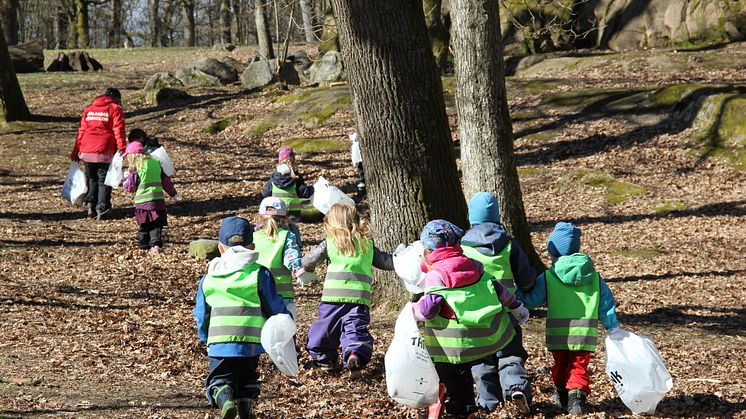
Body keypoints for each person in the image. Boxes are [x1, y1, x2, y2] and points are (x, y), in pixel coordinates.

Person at [412, 220, 529, 419]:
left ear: (428, 251)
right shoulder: (475, 266)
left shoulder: (436, 275)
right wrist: (518, 309)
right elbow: (499, 290)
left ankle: (462, 406)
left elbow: (428, 310)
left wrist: (413, 311)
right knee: (482, 366)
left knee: (452, 374)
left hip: (451, 345)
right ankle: (486, 403)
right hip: (484, 340)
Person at [516, 222, 620, 414]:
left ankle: (564, 396)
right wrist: (612, 325)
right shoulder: (594, 277)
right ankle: (576, 400)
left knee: (561, 365)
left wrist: (513, 294)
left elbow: (532, 300)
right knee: (578, 366)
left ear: (553, 248)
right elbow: (606, 303)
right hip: (584, 334)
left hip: (558, 334)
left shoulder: (548, 277)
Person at [193, 216, 291, 419]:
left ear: (220, 248)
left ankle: (225, 400)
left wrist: (204, 337)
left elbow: (202, 313)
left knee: (219, 379)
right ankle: (245, 410)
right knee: (247, 378)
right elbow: (274, 304)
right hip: (251, 342)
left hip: (220, 342)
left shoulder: (209, 278)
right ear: (253, 246)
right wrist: (286, 320)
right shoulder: (259, 274)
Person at [459, 192, 536, 413]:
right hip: (508, 310)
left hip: (477, 312)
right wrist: (529, 290)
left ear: (471, 216)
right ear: (496, 215)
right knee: (510, 353)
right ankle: (515, 388)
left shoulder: (464, 247)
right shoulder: (509, 244)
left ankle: (488, 404)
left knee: (481, 357)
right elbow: (526, 278)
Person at [302, 203, 393, 373]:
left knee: (326, 328)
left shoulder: (330, 243)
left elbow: (308, 260)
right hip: (359, 297)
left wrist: (305, 267)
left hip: (332, 298)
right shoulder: (366, 243)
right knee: (355, 327)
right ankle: (354, 353)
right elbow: (384, 261)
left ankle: (325, 359)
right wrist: (402, 262)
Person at [253, 197, 315, 317]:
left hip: (257, 292)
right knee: (285, 332)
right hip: (282, 294)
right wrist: (300, 270)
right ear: (285, 218)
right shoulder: (286, 235)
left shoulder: (252, 237)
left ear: (259, 216)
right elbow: (291, 258)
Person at [70, 88, 126, 220]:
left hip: (86, 150)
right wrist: (122, 146)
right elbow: (118, 128)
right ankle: (102, 208)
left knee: (91, 178)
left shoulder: (89, 109)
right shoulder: (115, 108)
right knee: (103, 179)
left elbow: (82, 131)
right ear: (117, 98)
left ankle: (90, 206)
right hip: (104, 149)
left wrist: (75, 152)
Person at [122, 141, 176, 253]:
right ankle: (155, 244)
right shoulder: (156, 163)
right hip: (157, 200)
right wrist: (173, 193)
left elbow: (130, 187)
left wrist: (125, 180)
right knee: (156, 223)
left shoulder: (137, 168)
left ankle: (143, 243)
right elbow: (166, 181)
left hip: (142, 202)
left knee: (144, 223)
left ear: (132, 156)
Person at [261, 146, 313, 245]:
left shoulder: (274, 177)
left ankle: (278, 243)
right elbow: (304, 192)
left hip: (277, 208)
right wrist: (312, 189)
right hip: (293, 209)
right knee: (292, 227)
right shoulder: (296, 176)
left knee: (279, 226)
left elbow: (266, 193)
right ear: (293, 161)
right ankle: (296, 243)